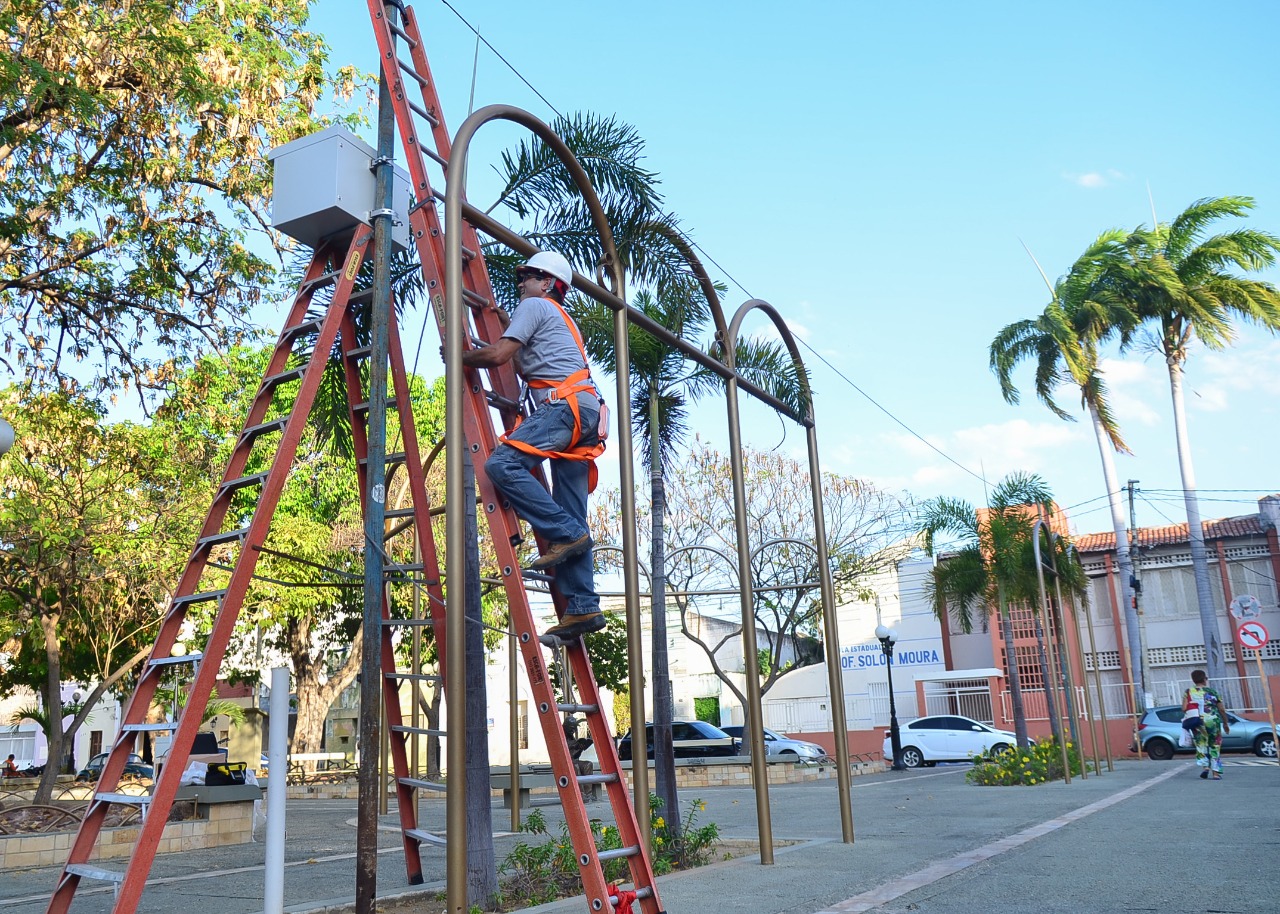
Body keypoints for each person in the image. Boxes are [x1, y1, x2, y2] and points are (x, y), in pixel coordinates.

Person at [461, 251, 607, 646]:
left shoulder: (535, 305)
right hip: (587, 414)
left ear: (547, 284)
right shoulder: (557, 317)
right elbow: (527, 361)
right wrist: (508, 325)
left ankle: (567, 533)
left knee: (502, 465)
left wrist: (458, 355)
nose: (520, 282)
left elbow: (496, 356)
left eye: (528, 276)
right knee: (572, 509)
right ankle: (582, 604)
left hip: (564, 409)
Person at [1183, 669, 1230, 779]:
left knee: (1201, 743)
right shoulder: (1212, 692)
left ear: (1193, 680)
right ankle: (1216, 773)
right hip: (1213, 720)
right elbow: (1221, 709)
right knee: (1215, 744)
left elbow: (1184, 708)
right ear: (1204, 679)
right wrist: (1225, 723)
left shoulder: (1188, 692)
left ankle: (1205, 767)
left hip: (1197, 721)